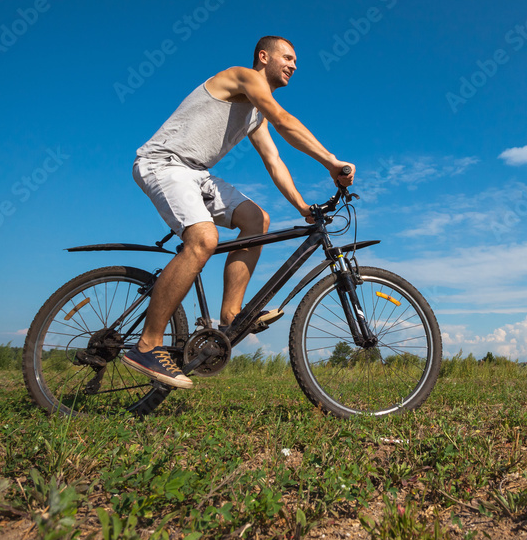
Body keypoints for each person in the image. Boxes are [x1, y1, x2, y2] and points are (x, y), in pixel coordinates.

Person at [121, 36, 355, 388]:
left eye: (295, 61)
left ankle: (231, 314)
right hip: (163, 163)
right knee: (203, 240)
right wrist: (331, 162)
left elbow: (274, 162)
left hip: (196, 173)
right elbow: (285, 121)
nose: (294, 65)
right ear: (264, 57)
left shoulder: (254, 114)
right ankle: (147, 345)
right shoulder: (242, 77)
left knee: (256, 220)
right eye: (287, 57)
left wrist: (303, 207)